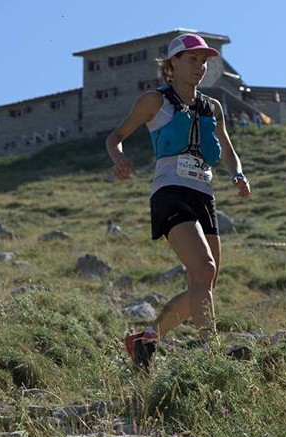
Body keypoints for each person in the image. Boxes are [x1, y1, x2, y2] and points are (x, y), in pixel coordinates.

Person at [105, 33, 251, 370]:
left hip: (204, 193)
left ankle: (145, 339)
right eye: (192, 60)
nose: (200, 66)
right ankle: (212, 353)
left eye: (204, 61)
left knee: (204, 282)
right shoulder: (154, 101)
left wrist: (238, 174)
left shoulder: (212, 107)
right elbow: (116, 137)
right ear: (172, 63)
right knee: (204, 269)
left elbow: (227, 148)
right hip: (170, 191)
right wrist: (119, 159)